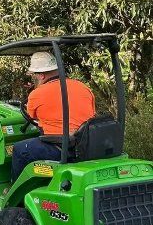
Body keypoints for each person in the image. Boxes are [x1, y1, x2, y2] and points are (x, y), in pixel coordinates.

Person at [11, 51, 96, 182]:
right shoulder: (83, 87)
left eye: (34, 75)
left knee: (20, 149)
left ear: (41, 75)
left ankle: (15, 195)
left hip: (62, 148)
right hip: (86, 145)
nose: (33, 77)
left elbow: (31, 116)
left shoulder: (37, 94)